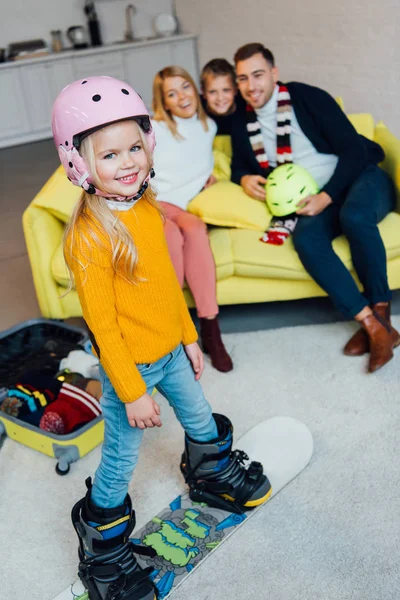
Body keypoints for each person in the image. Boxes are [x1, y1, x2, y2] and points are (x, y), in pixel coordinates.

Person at [51, 76, 271, 600]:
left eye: (134, 147)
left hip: (171, 352)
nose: (128, 162)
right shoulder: (89, 238)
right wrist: (131, 391)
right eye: (110, 155)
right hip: (131, 369)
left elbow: (168, 290)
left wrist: (190, 337)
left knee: (199, 418)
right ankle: (100, 541)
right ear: (80, 164)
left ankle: (212, 473)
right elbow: (102, 328)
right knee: (121, 461)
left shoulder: (148, 208)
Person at [231, 42, 399, 372]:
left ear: (274, 73)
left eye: (258, 74)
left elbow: (353, 150)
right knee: (307, 239)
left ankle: (381, 312)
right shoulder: (240, 122)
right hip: (316, 196)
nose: (251, 86)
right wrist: (243, 178)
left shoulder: (307, 97)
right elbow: (238, 162)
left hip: (361, 177)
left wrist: (328, 195)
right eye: (242, 79)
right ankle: (373, 327)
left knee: (355, 216)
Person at [151, 65, 233, 373]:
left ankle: (210, 329)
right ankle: (177, 335)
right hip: (152, 204)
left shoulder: (208, 126)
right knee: (170, 235)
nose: (181, 97)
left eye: (184, 87)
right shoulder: (155, 128)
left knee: (196, 228)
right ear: (164, 102)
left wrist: (208, 176)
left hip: (181, 205)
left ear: (195, 90)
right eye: (171, 93)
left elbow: (195, 159)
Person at [200, 58, 245, 135]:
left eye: (226, 90)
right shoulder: (198, 112)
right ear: (203, 93)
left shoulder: (245, 106)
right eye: (212, 92)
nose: (220, 98)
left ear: (236, 89)